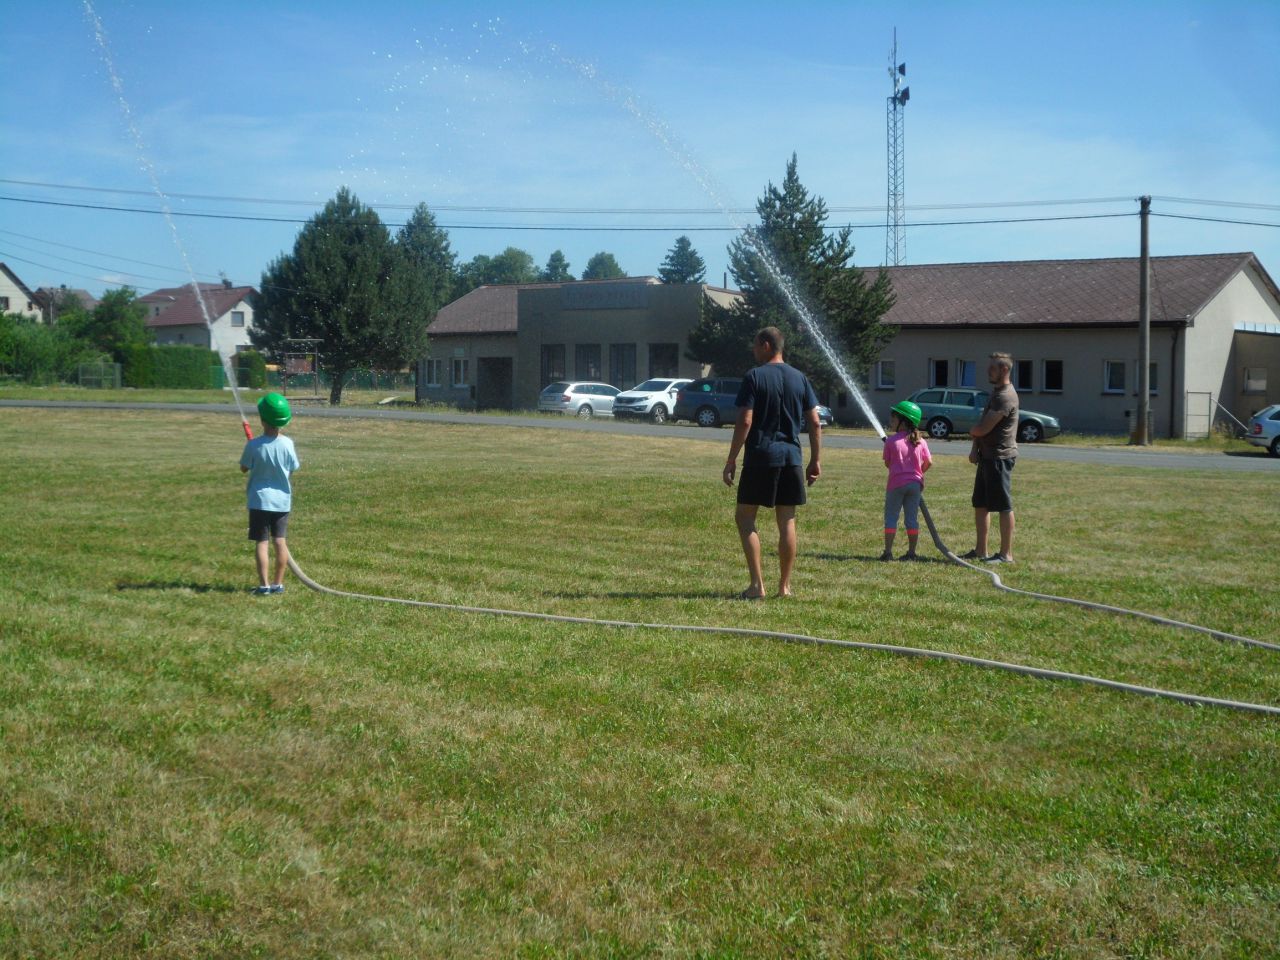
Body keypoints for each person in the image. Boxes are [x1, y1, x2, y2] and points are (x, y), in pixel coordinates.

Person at [722, 326, 822, 599]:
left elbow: (745, 420)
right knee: (787, 520)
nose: (753, 351)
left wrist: (731, 459)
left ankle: (757, 586)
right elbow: (815, 422)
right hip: (791, 458)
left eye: (755, 345)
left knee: (745, 517)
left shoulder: (754, 376)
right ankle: (784, 587)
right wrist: (815, 460)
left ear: (766, 345)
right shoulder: (800, 378)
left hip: (760, 457)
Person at [240, 393, 300, 594]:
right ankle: (278, 584)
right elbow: (292, 468)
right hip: (282, 501)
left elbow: (244, 468)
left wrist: (253, 448)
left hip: (259, 501)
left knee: (262, 542)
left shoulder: (254, 445)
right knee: (280, 541)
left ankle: (264, 585)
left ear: (262, 419)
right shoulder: (288, 443)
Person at [963, 352, 1018, 563]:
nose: (988, 371)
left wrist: (972, 431)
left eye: (992, 368)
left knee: (1003, 506)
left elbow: (983, 428)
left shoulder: (1006, 396)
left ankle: (1006, 554)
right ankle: (981, 551)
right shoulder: (996, 393)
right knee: (981, 504)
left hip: (999, 458)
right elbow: (981, 428)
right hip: (987, 456)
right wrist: (974, 448)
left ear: (1004, 369)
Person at [880, 399, 932, 561]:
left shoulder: (891, 441)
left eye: (894, 418)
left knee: (891, 518)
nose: (891, 421)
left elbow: (888, 463)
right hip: (915, 485)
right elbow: (929, 462)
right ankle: (911, 553)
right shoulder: (921, 441)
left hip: (896, 485)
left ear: (903, 421)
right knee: (911, 520)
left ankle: (888, 553)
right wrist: (918, 473)